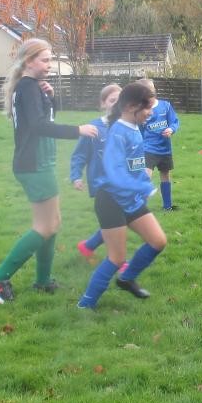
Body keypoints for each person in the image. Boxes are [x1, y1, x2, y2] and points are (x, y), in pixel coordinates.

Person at [0, 38, 99, 303]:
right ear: (29, 61)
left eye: (50, 59)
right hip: (35, 165)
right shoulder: (27, 87)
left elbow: (44, 119)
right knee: (46, 225)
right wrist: (78, 130)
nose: (50, 65)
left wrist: (51, 98)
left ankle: (43, 281)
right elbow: (39, 126)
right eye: (45, 60)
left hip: (38, 163)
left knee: (52, 224)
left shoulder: (30, 87)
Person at [77, 82, 168, 309]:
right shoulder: (118, 132)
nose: (151, 112)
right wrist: (142, 187)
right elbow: (114, 171)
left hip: (130, 199)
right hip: (111, 201)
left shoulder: (135, 127)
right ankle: (85, 305)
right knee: (116, 258)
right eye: (147, 107)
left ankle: (126, 279)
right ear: (130, 107)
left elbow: (133, 164)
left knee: (158, 241)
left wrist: (142, 178)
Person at [70, 83, 122, 262]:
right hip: (102, 184)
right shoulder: (94, 128)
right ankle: (117, 260)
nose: (117, 104)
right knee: (116, 220)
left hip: (122, 182)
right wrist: (76, 176)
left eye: (120, 100)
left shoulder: (128, 126)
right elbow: (79, 155)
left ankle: (89, 246)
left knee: (120, 218)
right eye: (112, 100)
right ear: (103, 104)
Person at [136, 78, 179, 211]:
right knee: (146, 175)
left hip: (165, 149)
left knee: (165, 175)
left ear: (153, 91)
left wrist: (171, 129)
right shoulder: (142, 110)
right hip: (148, 148)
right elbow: (139, 130)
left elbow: (175, 122)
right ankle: (139, 207)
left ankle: (167, 206)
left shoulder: (165, 106)